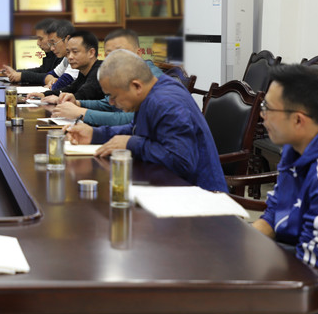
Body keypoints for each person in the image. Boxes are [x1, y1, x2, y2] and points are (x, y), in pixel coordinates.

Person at [222, 64, 318, 314]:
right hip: (306, 263)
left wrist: (241, 276)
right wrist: (236, 248)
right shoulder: (297, 144)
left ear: (298, 119)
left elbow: (310, 268)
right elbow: (274, 213)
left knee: (223, 302)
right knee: (218, 270)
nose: (261, 115)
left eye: (268, 108)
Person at [66, 49, 226, 192]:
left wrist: (132, 143)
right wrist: (95, 134)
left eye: (113, 96)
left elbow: (181, 162)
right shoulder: (151, 92)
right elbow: (135, 129)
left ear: (136, 86)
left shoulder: (166, 102)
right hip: (168, 187)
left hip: (201, 197)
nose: (111, 103)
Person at [52, 28, 163, 122]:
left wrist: (81, 112)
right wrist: (77, 103)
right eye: (109, 54)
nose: (114, 59)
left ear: (138, 53)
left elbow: (131, 120)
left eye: (120, 52)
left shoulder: (152, 77)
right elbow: (108, 104)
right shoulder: (122, 74)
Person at [30, 30, 105, 104]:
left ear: (91, 52)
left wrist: (58, 100)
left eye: (75, 52)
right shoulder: (83, 72)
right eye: (68, 52)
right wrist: (44, 95)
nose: (70, 57)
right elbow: (70, 89)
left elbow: (81, 96)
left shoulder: (100, 72)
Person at [0, 18, 58, 84]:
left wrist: (22, 76)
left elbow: (51, 77)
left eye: (40, 39)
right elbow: (43, 70)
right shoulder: (51, 54)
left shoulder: (62, 55)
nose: (38, 43)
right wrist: (17, 72)